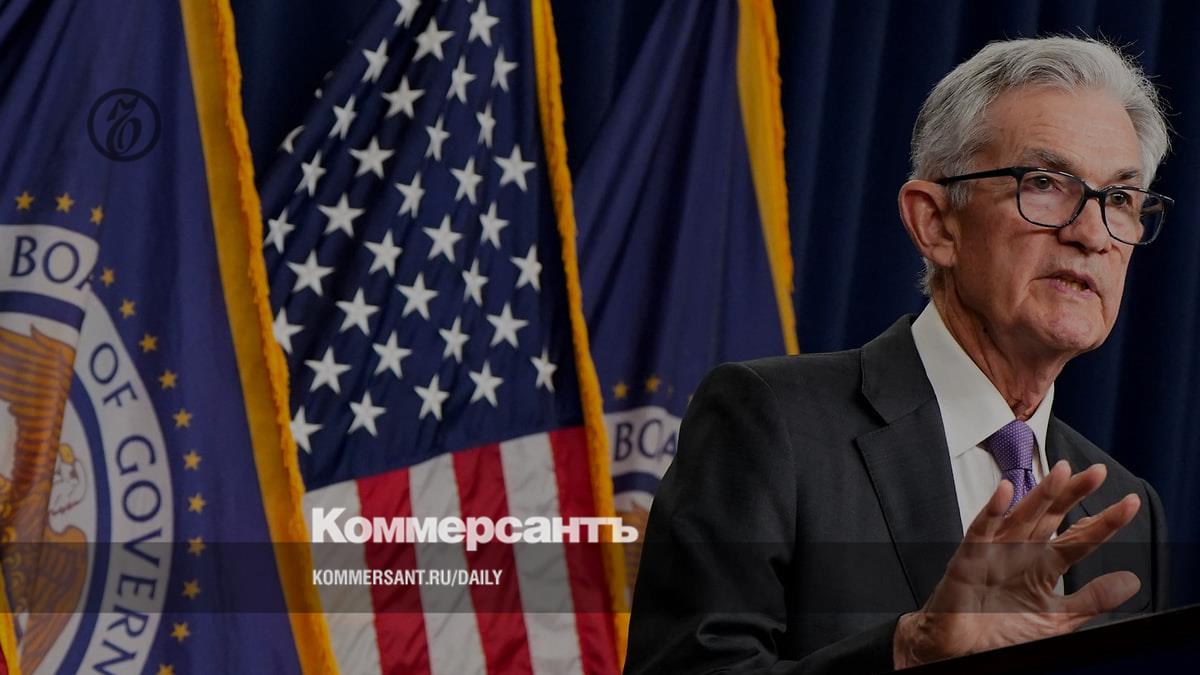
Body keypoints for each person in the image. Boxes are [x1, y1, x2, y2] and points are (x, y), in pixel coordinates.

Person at [625, 36, 1171, 673]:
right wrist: (908, 652)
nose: (1091, 233)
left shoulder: (1127, 511)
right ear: (935, 223)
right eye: (1045, 183)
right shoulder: (772, 422)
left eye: (1120, 199)